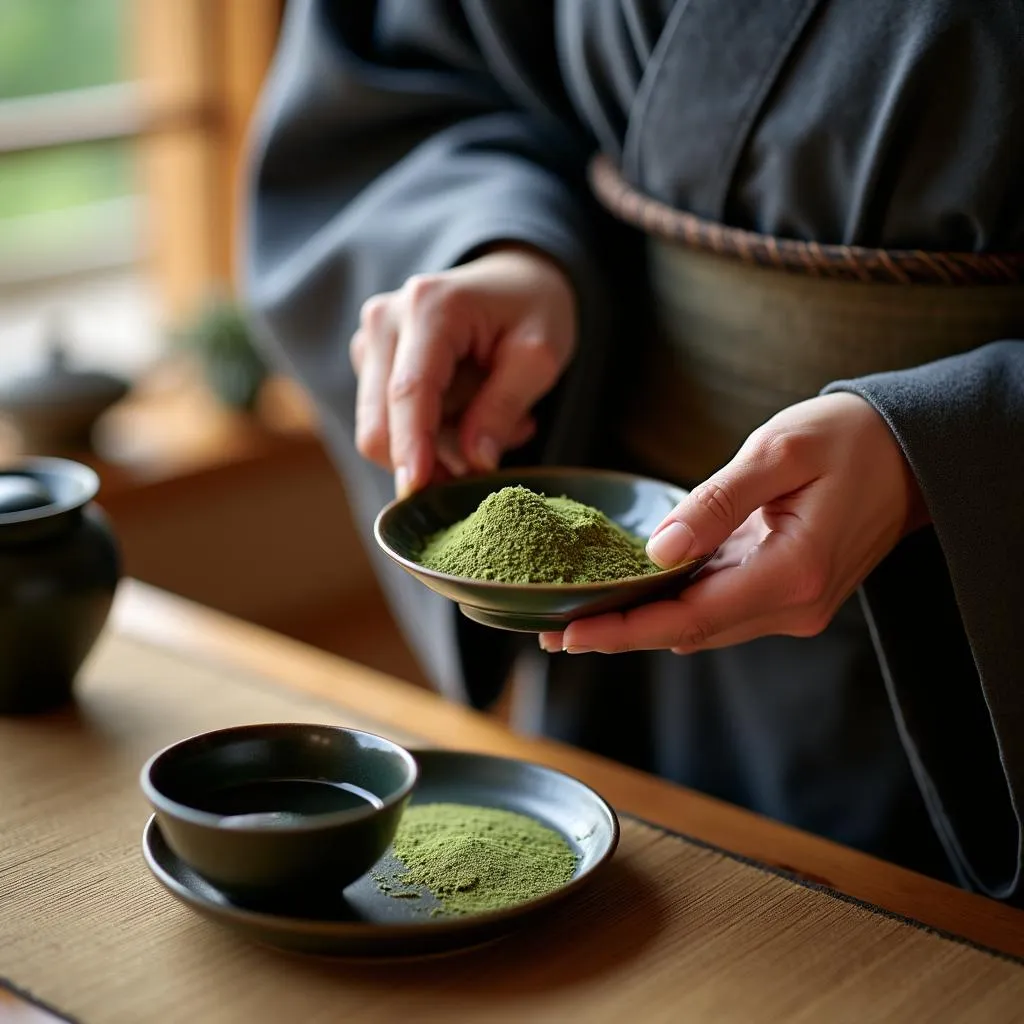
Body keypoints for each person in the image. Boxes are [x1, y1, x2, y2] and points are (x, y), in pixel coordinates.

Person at [243, 0, 1024, 901]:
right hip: (633, 608)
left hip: (982, 624)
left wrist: (950, 444)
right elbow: (403, 78)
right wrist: (503, 246)